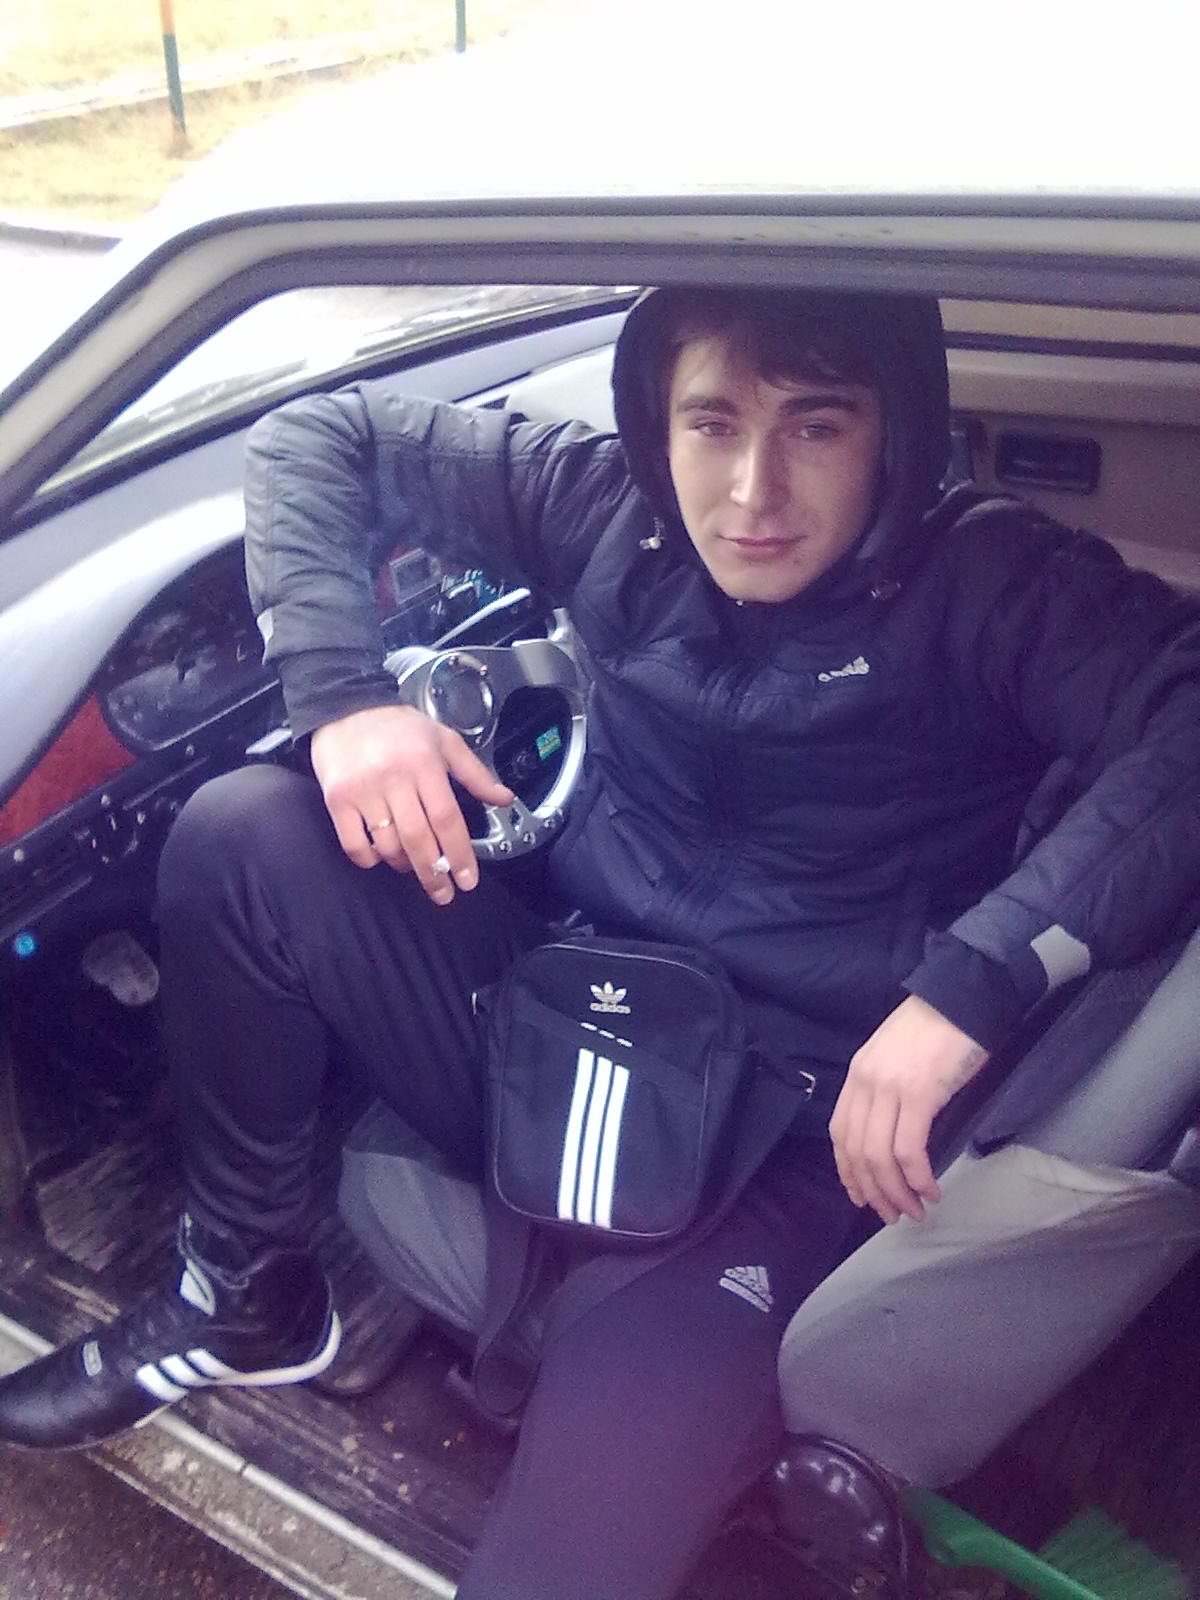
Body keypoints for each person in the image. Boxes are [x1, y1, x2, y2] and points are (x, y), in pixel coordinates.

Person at [1, 285, 1199, 1600]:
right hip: (566, 1027)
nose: (753, 490)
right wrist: (342, 695)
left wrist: (970, 983)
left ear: (895, 433)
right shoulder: (606, 504)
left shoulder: (990, 580)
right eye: (713, 423)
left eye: (816, 426)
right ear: (655, 419)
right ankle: (245, 1294)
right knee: (244, 830)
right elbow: (316, 436)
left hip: (795, 1133)